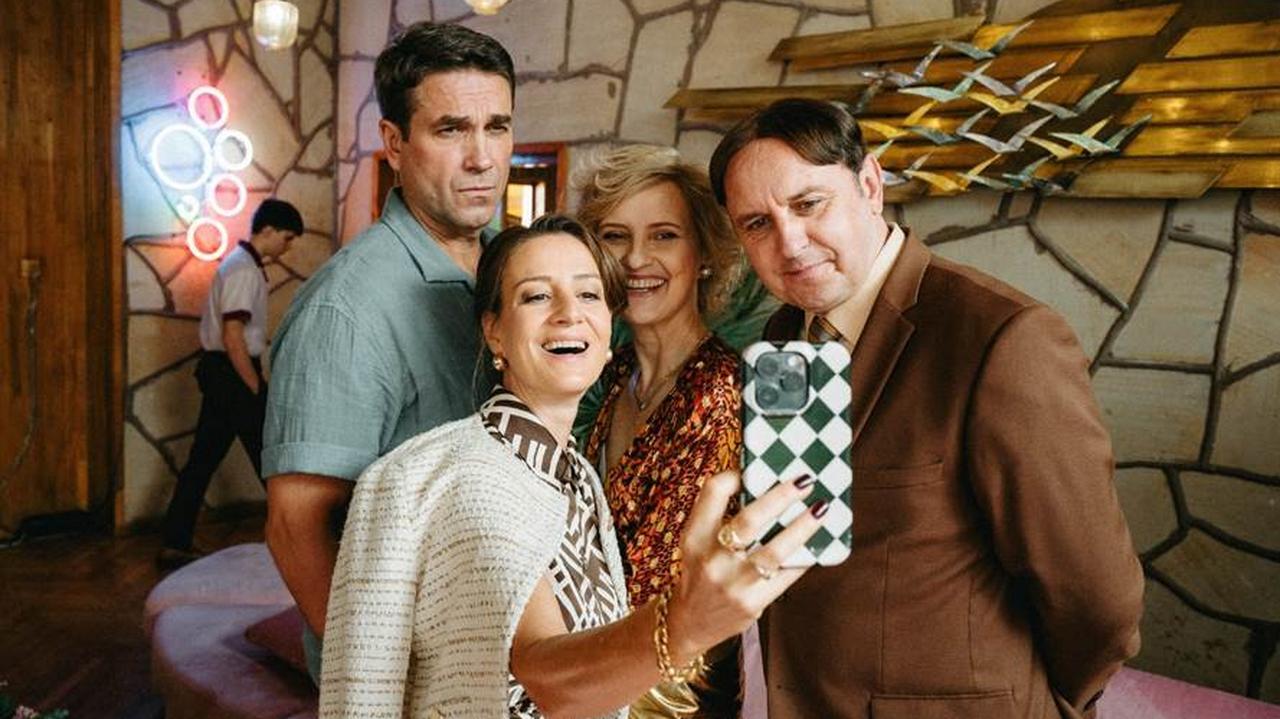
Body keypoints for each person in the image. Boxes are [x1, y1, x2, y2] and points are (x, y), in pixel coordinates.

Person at [707, 98, 1145, 719]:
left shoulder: (1003, 337)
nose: (790, 243)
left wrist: (1044, 706)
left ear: (869, 184)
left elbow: (1097, 598)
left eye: (808, 205)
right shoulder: (783, 339)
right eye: (757, 224)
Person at [321, 215, 825, 719]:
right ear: (494, 332)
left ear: (608, 330)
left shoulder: (578, 477)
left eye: (588, 295)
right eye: (536, 296)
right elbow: (546, 680)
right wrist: (684, 625)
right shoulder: (469, 477)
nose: (569, 314)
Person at [262, 22, 514, 681]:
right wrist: (381, 680)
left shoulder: (512, 271)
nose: (482, 158)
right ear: (395, 144)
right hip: (410, 678)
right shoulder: (346, 308)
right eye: (451, 129)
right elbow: (295, 528)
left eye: (497, 127)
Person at [575, 146, 745, 718]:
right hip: (602, 682)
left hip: (670, 699)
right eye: (615, 237)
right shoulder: (617, 372)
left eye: (664, 236)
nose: (636, 259)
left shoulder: (715, 391)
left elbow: (658, 597)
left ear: (704, 255)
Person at [158, 198, 302, 568]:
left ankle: (175, 540)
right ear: (267, 230)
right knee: (268, 457)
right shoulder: (242, 270)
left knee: (204, 459)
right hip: (231, 373)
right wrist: (254, 388)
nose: (287, 247)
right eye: (286, 238)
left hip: (226, 372)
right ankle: (298, 541)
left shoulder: (243, 266)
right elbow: (233, 335)